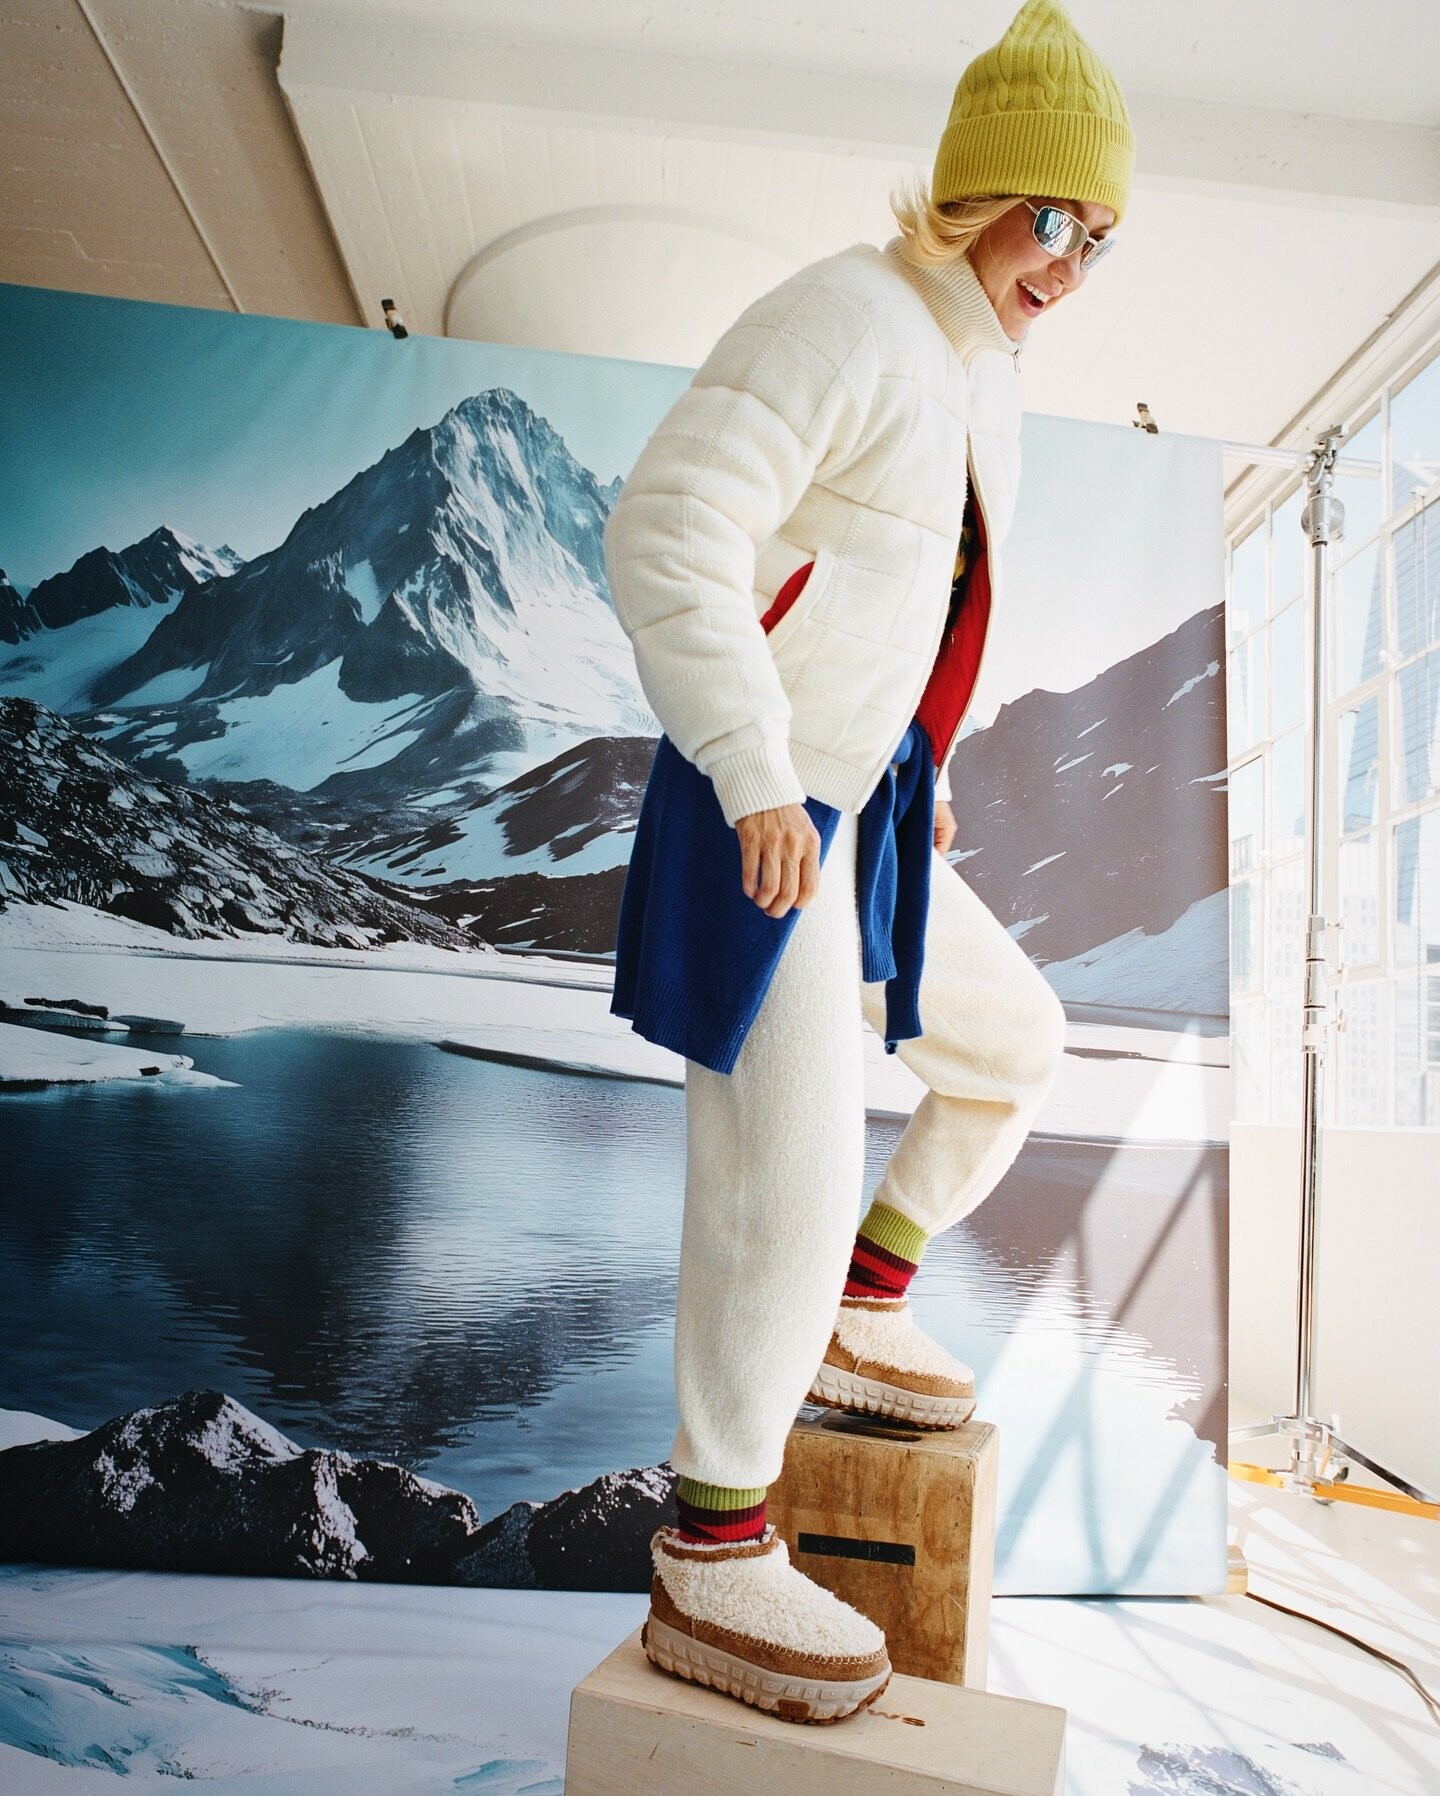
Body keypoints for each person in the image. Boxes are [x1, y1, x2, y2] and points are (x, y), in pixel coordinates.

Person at [603, 0, 1134, 1725]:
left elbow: (906, 597)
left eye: (1101, 236)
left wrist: (929, 763)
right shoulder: (844, 315)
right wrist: (756, 769)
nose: (1072, 264)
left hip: (869, 805)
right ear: (975, 194)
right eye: (1051, 218)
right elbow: (671, 525)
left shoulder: (985, 379)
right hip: (770, 811)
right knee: (781, 1172)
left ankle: (866, 1300)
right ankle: (712, 1547)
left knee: (1017, 1043)